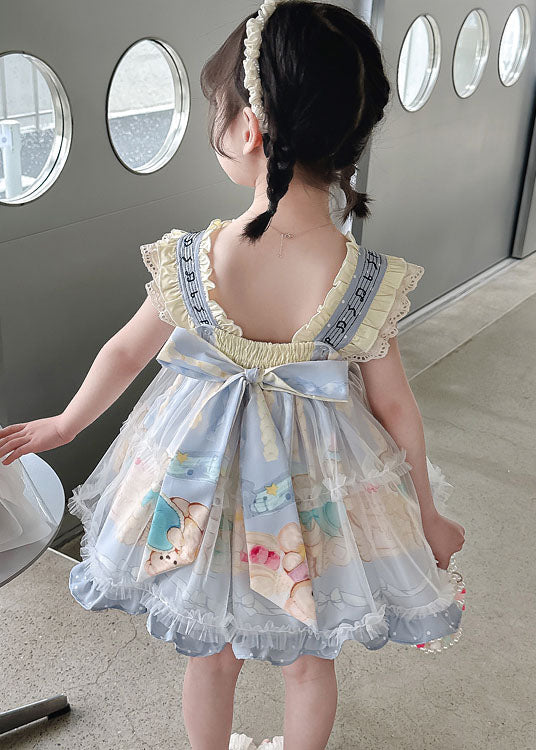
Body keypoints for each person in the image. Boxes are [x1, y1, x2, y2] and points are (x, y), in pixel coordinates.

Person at [0, 1, 467, 748]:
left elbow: (125, 352)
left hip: (200, 487)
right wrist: (426, 511)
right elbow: (396, 409)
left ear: (248, 129)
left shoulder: (194, 260)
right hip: (317, 498)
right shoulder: (367, 281)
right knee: (310, 655)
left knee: (210, 653)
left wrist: (66, 424)